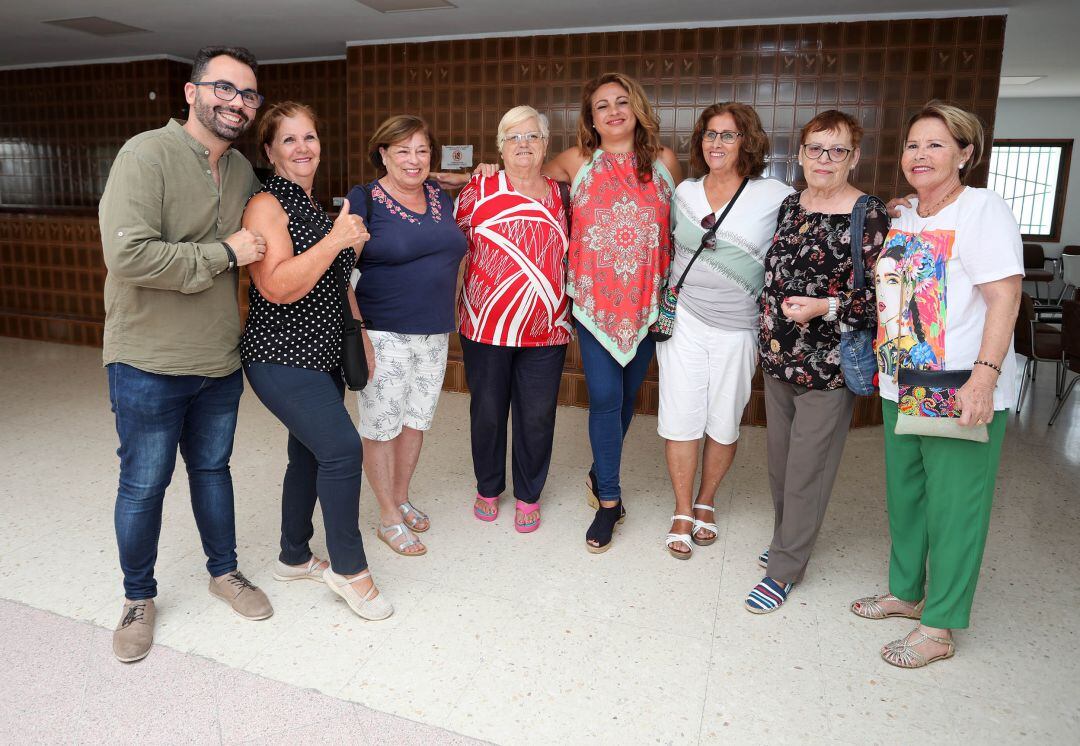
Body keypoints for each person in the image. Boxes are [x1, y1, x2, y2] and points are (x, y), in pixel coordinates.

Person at [99, 46, 272, 663]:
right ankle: (137, 598)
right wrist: (225, 254)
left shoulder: (243, 171)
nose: (237, 102)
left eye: (248, 94)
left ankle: (224, 572)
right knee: (144, 485)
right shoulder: (146, 154)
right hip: (147, 359)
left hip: (218, 360)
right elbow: (129, 256)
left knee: (212, 471)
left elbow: (276, 224)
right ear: (191, 92)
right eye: (224, 88)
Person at [851, 101, 1022, 667]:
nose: (919, 155)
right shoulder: (905, 215)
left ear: (965, 154)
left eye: (936, 145)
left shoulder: (983, 210)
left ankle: (940, 626)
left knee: (954, 508)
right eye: (913, 145)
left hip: (958, 383)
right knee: (907, 497)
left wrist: (984, 377)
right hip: (903, 380)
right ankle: (906, 593)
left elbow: (1004, 296)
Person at [240, 102, 391, 621]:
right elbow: (276, 286)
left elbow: (337, 281)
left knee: (308, 454)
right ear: (270, 151)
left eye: (309, 137)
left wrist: (360, 333)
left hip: (325, 351)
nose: (302, 148)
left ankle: (294, 556)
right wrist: (335, 241)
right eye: (289, 139)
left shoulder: (313, 206)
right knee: (343, 451)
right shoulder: (266, 205)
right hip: (280, 354)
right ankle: (350, 571)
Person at [747, 110, 888, 609]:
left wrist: (824, 307)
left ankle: (786, 568)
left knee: (808, 468)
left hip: (829, 366)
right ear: (801, 153)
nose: (824, 159)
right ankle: (788, 539)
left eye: (837, 150)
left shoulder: (869, 213)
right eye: (815, 149)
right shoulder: (791, 205)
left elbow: (882, 297)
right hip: (778, 358)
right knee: (780, 465)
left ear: (854, 157)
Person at [540, 72, 682, 553]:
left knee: (624, 399)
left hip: (645, 303)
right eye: (602, 105)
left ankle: (599, 471)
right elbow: (523, 179)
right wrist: (469, 175)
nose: (613, 112)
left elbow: (680, 224)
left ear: (637, 108)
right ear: (591, 118)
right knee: (604, 397)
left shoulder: (664, 162)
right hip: (595, 304)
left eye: (622, 102)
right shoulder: (575, 160)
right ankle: (609, 501)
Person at [657, 103, 794, 561]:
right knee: (680, 416)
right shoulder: (685, 193)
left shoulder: (774, 195)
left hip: (739, 327)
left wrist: (892, 208)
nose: (716, 143)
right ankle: (681, 508)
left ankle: (706, 501)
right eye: (710, 134)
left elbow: (823, 210)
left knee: (722, 418)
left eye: (728, 135)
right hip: (684, 320)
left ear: (747, 142)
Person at [345, 116, 467, 556]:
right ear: (383, 154)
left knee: (416, 421)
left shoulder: (438, 195)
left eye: (422, 150)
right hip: (383, 332)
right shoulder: (364, 199)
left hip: (433, 332)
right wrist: (359, 332)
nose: (413, 159)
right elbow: (341, 271)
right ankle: (387, 516)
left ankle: (400, 497)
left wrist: (454, 176)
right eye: (402, 150)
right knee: (382, 427)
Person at [456, 106, 572, 533]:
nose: (524, 144)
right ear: (500, 147)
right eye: (513, 137)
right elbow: (451, 246)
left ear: (545, 144)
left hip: (548, 327)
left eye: (532, 136)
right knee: (487, 411)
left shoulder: (564, 195)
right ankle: (488, 487)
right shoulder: (478, 188)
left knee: (537, 415)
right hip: (485, 325)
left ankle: (529, 494)